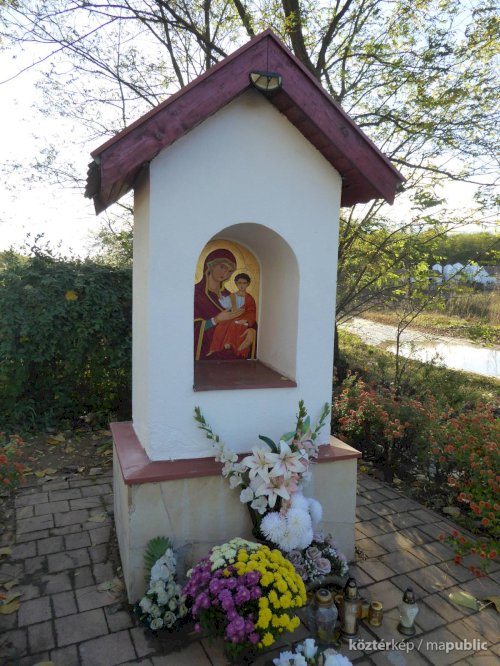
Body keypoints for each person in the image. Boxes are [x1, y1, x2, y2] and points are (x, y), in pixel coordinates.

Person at [194, 249, 255, 360]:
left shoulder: (231, 296)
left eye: (230, 271)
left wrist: (251, 330)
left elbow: (248, 314)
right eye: (222, 267)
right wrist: (216, 320)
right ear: (210, 265)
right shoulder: (196, 294)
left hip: (234, 350)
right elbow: (191, 328)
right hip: (207, 357)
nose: (225, 273)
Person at [209, 273, 257, 359]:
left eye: (244, 283)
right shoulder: (232, 296)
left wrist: (246, 320)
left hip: (243, 319)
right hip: (232, 316)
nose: (241, 285)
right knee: (220, 325)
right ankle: (215, 348)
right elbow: (226, 304)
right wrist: (220, 296)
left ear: (248, 284)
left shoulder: (249, 299)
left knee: (234, 324)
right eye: (239, 283)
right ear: (236, 283)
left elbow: (252, 311)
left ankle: (230, 344)